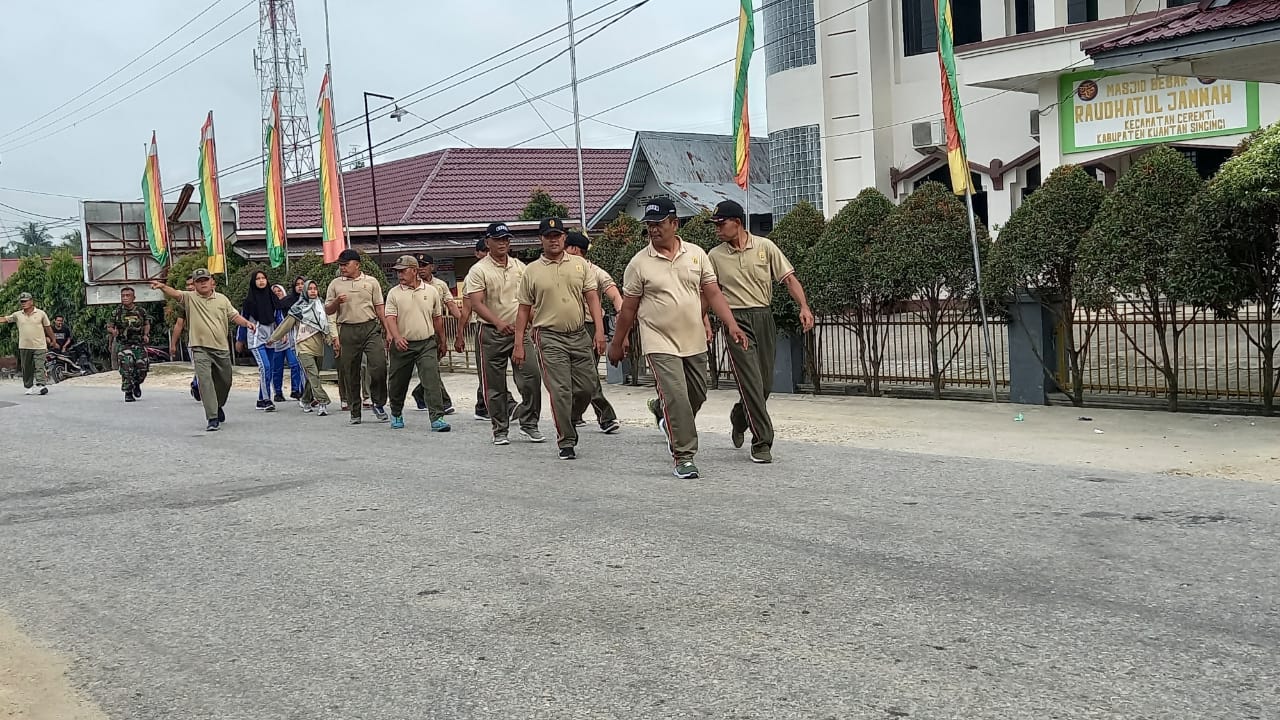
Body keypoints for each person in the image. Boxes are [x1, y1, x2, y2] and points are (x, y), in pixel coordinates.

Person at [607, 197, 748, 479]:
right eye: (649, 225)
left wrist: (731, 324)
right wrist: (617, 341)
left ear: (674, 223)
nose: (654, 230)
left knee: (697, 393)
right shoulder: (639, 264)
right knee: (677, 397)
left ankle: (664, 414)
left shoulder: (696, 255)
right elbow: (629, 309)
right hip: (659, 342)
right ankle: (683, 455)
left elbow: (713, 293)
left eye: (659, 224)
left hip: (693, 338)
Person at [706, 200, 815, 464]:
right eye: (716, 225)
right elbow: (709, 293)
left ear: (738, 223)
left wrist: (803, 306)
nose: (717, 229)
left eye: (722, 224)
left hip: (763, 316)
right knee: (751, 382)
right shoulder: (714, 256)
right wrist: (704, 322)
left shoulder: (765, 247)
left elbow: (788, 278)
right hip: (735, 320)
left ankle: (740, 416)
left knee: (764, 384)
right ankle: (762, 441)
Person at [513, 218, 606, 460]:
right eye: (548, 236)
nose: (554, 240)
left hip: (578, 334)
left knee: (587, 387)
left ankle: (572, 417)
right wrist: (518, 343)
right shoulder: (531, 271)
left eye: (558, 235)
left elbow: (593, 297)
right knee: (560, 391)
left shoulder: (579, 265)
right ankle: (566, 439)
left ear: (565, 237)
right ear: (541, 239)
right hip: (549, 337)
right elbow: (523, 309)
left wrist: (599, 330)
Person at [463, 222, 543, 445]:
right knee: (494, 384)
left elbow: (530, 301)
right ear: (487, 242)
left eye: (506, 239)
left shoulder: (520, 267)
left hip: (519, 331)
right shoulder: (478, 270)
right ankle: (500, 428)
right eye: (498, 240)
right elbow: (477, 304)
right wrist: (497, 323)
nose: (502, 243)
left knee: (531, 377)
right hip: (491, 332)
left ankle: (529, 423)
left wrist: (533, 325)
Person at [152, 269, 257, 431]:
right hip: (200, 348)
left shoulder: (222, 299)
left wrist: (247, 324)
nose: (203, 283)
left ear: (211, 281)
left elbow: (234, 315)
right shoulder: (190, 298)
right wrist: (162, 287)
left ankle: (218, 404)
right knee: (205, 382)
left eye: (205, 280)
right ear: (194, 284)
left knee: (225, 381)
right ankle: (212, 417)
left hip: (221, 348)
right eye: (199, 281)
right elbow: (175, 293)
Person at [383, 255, 451, 433]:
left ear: (414, 271)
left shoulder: (431, 291)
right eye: (397, 271)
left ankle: (437, 417)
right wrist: (397, 337)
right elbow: (390, 318)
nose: (400, 275)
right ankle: (396, 412)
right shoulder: (394, 293)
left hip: (426, 343)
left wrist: (442, 340)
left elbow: (437, 319)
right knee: (398, 381)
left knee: (431, 379)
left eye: (403, 271)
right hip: (402, 345)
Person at [564, 230, 622, 433]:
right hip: (566, 327)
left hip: (588, 327)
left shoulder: (593, 271)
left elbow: (613, 293)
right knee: (576, 375)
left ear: (573, 249)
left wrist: (622, 314)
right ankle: (574, 414)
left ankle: (605, 417)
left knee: (587, 375)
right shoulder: (560, 270)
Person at [326, 248, 389, 424]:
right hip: (347, 329)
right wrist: (337, 302)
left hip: (370, 328)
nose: (343, 268)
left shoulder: (371, 282)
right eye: (341, 265)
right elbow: (328, 310)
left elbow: (379, 307)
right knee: (350, 371)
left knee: (379, 365)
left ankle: (378, 402)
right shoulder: (335, 284)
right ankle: (355, 410)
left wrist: (388, 331)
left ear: (357, 265)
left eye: (346, 264)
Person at [455, 236, 514, 420]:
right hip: (486, 328)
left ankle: (482, 406)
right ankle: (508, 405)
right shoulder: (475, 275)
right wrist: (459, 334)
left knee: (488, 374)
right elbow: (467, 309)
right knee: (489, 374)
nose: (483, 256)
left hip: (511, 328)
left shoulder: (512, 268)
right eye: (481, 253)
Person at [267, 278, 336, 416]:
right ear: (305, 291)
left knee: (312, 377)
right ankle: (323, 402)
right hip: (303, 347)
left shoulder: (321, 307)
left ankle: (305, 399)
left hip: (318, 348)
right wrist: (273, 338)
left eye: (314, 289)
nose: (312, 291)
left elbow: (327, 325)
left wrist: (332, 340)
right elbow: (286, 325)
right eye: (309, 289)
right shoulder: (298, 308)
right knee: (313, 374)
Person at [412, 254, 459, 415]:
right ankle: (443, 402)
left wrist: (462, 321)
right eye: (419, 265)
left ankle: (419, 393)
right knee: (431, 370)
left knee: (430, 369)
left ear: (432, 267)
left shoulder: (440, 285)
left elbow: (450, 304)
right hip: (418, 333)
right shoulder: (410, 286)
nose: (421, 269)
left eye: (424, 265)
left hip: (435, 331)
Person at [238, 270, 282, 411]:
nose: (261, 281)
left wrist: (282, 332)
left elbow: (279, 317)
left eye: (264, 278)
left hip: (270, 338)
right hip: (256, 338)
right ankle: (266, 399)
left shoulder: (272, 298)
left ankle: (260, 399)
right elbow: (242, 320)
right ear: (253, 282)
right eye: (258, 279)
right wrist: (240, 339)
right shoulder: (249, 302)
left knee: (270, 368)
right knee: (265, 367)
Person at [1, 292, 54, 395]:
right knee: (27, 367)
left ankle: (41, 385)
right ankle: (28, 386)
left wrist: (53, 339)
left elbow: (48, 327)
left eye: (25, 301)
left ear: (31, 301)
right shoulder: (17, 315)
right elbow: (5, 319)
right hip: (24, 345)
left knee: (39, 365)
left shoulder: (41, 313)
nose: (23, 303)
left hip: (39, 345)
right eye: (22, 301)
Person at [107, 286, 151, 402]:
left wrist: (146, 335)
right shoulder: (116, 312)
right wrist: (113, 332)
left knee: (142, 367)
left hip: (138, 344)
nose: (125, 298)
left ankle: (136, 383)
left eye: (128, 296)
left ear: (134, 297)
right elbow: (109, 327)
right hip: (123, 344)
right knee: (127, 365)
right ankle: (128, 392)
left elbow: (146, 324)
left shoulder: (141, 311)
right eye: (123, 296)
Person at [270, 283, 305, 401]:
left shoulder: (288, 303)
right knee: (277, 367)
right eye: (274, 292)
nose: (277, 293)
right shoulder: (271, 307)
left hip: (290, 338)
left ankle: (296, 390)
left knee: (295, 364)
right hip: (275, 340)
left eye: (279, 291)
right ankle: (278, 392)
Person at [169, 276, 200, 401]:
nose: (190, 287)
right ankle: (198, 386)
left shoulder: (214, 299)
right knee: (199, 367)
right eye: (188, 285)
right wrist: (173, 344)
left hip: (214, 340)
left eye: (192, 284)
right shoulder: (184, 303)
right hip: (194, 341)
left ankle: (196, 383)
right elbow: (179, 324)